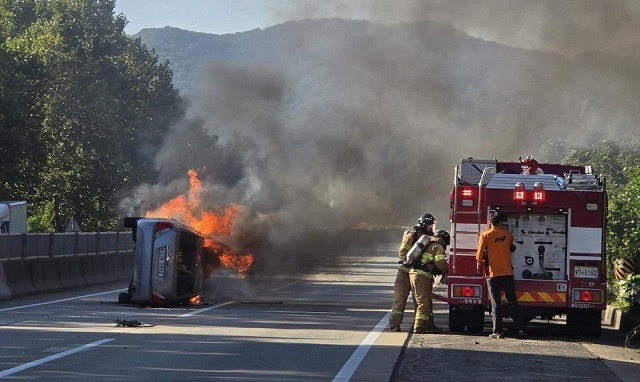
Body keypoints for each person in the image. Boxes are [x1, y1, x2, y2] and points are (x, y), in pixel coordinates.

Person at [476, 211, 527, 339]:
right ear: (501, 222)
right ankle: (521, 330)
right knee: (513, 302)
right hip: (507, 273)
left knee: (496, 303)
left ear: (490, 222)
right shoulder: (508, 235)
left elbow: (479, 256)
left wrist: (485, 258)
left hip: (493, 274)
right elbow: (511, 247)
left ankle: (498, 332)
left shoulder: (485, 235)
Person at [389, 213, 436, 332]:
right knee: (400, 299)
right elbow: (403, 252)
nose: (431, 228)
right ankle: (395, 324)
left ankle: (426, 325)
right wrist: (410, 262)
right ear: (424, 224)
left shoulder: (427, 238)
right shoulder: (411, 235)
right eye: (430, 226)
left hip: (417, 273)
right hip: (405, 272)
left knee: (422, 300)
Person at [408, 229, 449, 334]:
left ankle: (429, 325)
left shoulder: (428, 244)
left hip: (414, 274)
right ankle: (419, 327)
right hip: (423, 276)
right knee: (423, 302)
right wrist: (448, 269)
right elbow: (440, 262)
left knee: (423, 302)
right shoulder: (438, 246)